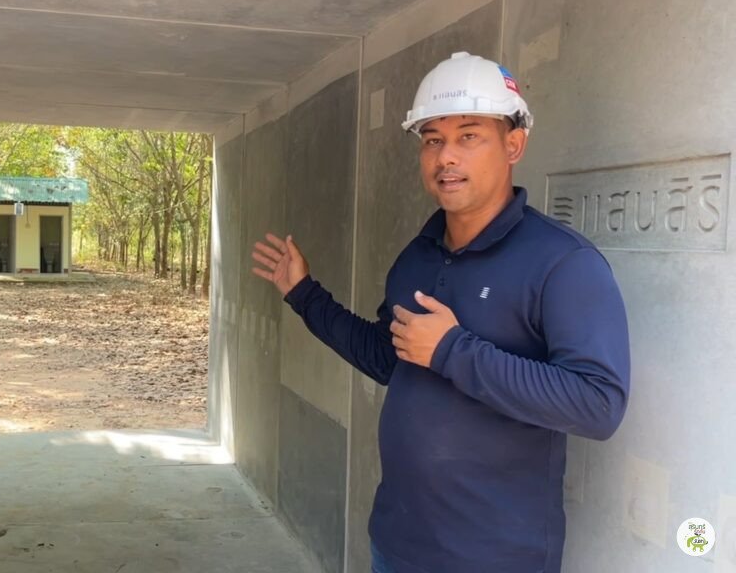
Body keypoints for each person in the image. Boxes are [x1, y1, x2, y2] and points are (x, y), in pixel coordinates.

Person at [251, 52, 630, 573]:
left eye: (468, 136)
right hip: (397, 544)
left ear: (513, 145)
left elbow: (598, 404)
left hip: (494, 559)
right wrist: (304, 294)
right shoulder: (418, 257)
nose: (446, 156)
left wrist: (453, 351)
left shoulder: (562, 262)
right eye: (432, 140)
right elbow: (389, 359)